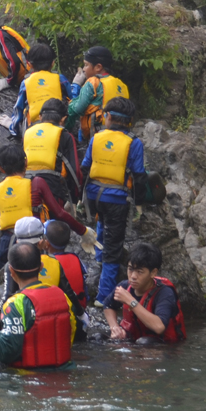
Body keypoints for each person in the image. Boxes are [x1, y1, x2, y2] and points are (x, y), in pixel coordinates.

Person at [80, 96, 147, 306]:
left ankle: (98, 255)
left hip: (93, 197)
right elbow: (139, 175)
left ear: (107, 117)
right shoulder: (134, 143)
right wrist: (139, 204)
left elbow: (85, 168)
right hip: (117, 199)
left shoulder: (96, 137)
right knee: (114, 248)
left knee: (101, 220)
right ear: (130, 121)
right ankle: (103, 297)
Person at [0, 144, 97, 274]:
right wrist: (83, 231)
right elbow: (59, 213)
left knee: (8, 286)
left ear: (1, 168)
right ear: (26, 162)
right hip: (33, 242)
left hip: (6, 245)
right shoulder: (36, 183)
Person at [0, 243, 76, 369]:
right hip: (65, 375)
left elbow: (6, 352)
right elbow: (71, 333)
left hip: (28, 380)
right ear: (41, 267)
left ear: (11, 271)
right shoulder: (63, 296)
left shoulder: (15, 304)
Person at [0, 218, 88, 341]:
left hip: (26, 323)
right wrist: (82, 314)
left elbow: (7, 296)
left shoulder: (12, 265)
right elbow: (69, 293)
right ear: (42, 242)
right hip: (55, 322)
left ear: (17, 241)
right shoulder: (54, 262)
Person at [104, 242, 186, 343]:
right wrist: (114, 327)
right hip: (135, 339)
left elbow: (159, 327)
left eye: (140, 272)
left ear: (153, 273)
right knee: (98, 337)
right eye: (130, 269)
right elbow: (108, 305)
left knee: (144, 342)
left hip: (164, 345)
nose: (133, 276)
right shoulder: (125, 286)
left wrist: (131, 301)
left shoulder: (165, 293)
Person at [23, 98, 82, 208]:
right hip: (52, 191)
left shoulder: (28, 133)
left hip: (26, 189)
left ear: (40, 117)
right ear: (63, 119)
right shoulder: (65, 136)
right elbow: (75, 171)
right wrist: (74, 199)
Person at [66, 46, 129, 147]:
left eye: (86, 65)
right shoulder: (121, 85)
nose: (83, 69)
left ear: (98, 67)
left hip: (98, 134)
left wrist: (75, 86)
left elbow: (77, 108)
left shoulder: (93, 82)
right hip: (121, 135)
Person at [8, 43, 72, 138]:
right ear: (53, 63)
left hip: (34, 125)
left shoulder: (26, 83)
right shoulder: (60, 79)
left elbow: (18, 108)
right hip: (59, 124)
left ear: (29, 64)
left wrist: (13, 129)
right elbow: (73, 98)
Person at [44, 220, 89, 309]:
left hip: (62, 309)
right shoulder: (76, 258)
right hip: (80, 306)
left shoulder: (46, 262)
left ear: (47, 244)